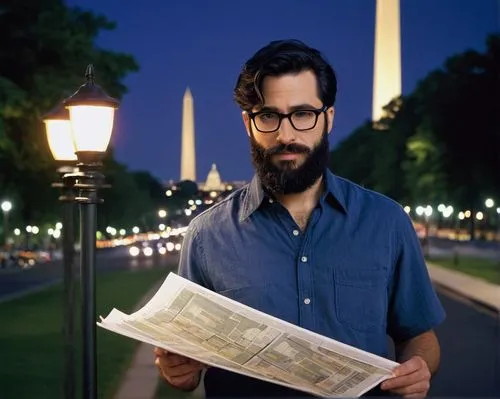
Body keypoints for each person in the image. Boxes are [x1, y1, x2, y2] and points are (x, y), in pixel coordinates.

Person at [155, 39, 446, 398]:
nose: (286, 134)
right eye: (268, 116)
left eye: (303, 114)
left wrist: (418, 366)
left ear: (329, 118)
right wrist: (178, 371)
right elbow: (185, 360)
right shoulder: (205, 236)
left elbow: (419, 336)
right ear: (249, 124)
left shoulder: (386, 222)